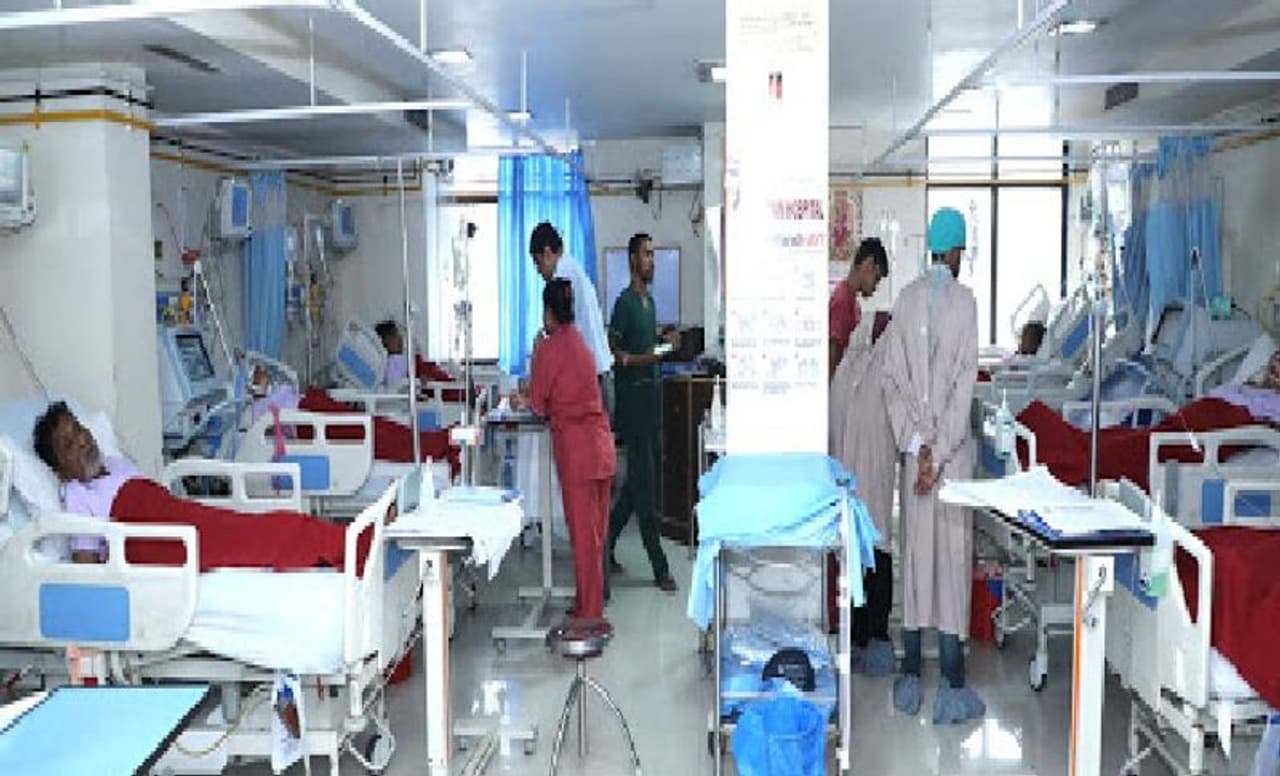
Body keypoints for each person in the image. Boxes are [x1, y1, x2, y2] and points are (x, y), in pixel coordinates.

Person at [32, 402, 377, 572]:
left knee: (254, 526)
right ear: (59, 470)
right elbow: (87, 567)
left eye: (79, 430)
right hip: (156, 541)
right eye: (68, 444)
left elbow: (158, 499)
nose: (82, 440)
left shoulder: (116, 464)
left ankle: (345, 542)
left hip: (175, 516)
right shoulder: (77, 495)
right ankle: (348, 544)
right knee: (257, 536)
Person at [882, 207, 984, 725]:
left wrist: (918, 444)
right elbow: (964, 386)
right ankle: (952, 681)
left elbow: (892, 381)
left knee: (917, 561)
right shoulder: (966, 304)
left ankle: (908, 675)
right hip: (951, 461)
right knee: (950, 565)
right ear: (956, 250)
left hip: (918, 457)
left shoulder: (904, 300)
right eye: (962, 250)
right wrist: (939, 451)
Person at [517, 279, 617, 627]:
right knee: (595, 537)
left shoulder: (549, 348)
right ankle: (589, 604)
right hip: (601, 448)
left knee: (584, 539)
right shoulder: (580, 343)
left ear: (548, 312)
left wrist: (535, 358)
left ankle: (589, 616)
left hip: (578, 453)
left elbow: (539, 404)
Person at [607, 233, 678, 594]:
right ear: (633, 259)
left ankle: (605, 542)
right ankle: (660, 568)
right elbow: (615, 353)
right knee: (646, 491)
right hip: (633, 410)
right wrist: (651, 356)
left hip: (651, 407)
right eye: (647, 254)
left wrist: (665, 343)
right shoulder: (624, 304)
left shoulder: (648, 303)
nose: (652, 260)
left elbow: (650, 349)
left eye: (653, 254)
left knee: (635, 486)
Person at [828, 327, 896, 676]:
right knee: (869, 551)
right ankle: (867, 636)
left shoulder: (855, 372)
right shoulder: (856, 373)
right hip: (860, 477)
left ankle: (865, 636)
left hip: (862, 474)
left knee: (867, 551)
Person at [529, 222, 613, 377]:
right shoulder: (571, 267)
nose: (538, 270)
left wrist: (541, 344)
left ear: (547, 253)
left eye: (537, 262)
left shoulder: (562, 277)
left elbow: (557, 329)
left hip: (590, 371)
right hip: (595, 367)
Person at [829, 238, 890, 380]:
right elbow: (832, 354)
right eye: (876, 278)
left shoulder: (851, 301)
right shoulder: (844, 300)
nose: (875, 287)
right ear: (868, 264)